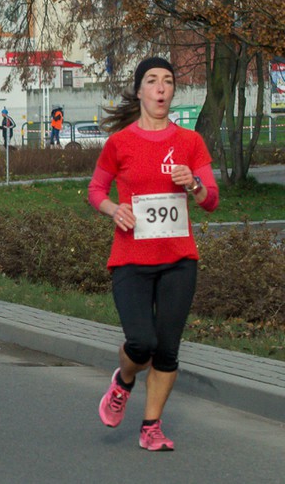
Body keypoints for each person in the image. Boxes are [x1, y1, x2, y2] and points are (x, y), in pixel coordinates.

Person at [87, 57, 219, 451]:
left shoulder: (190, 142)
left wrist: (194, 184)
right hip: (130, 259)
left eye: (167, 81)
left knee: (167, 348)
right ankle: (124, 381)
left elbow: (211, 199)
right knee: (141, 342)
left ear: (172, 91)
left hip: (179, 259)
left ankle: (151, 427)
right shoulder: (120, 143)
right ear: (140, 91)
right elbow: (96, 191)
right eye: (152, 81)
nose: (161, 88)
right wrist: (114, 209)